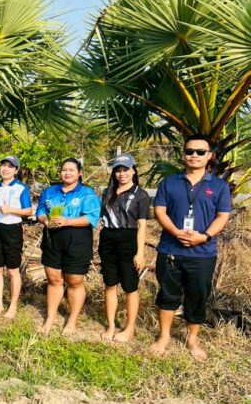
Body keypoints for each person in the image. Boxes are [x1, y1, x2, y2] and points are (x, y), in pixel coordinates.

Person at [150, 135, 231, 361]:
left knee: (197, 297)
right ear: (183, 155)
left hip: (202, 253)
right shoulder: (169, 182)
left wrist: (204, 237)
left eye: (200, 152)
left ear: (210, 156)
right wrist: (176, 232)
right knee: (167, 294)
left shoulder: (219, 186)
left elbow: (222, 216)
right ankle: (164, 336)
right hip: (170, 249)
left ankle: (192, 339)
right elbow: (159, 211)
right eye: (189, 151)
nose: (194, 155)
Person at [36, 159, 101, 335]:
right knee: (54, 279)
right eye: (64, 170)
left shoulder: (87, 194)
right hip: (52, 239)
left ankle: (72, 319)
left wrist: (67, 221)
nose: (67, 173)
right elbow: (40, 211)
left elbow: (91, 218)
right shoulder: (50, 191)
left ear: (79, 173)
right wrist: (46, 220)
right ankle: (51, 316)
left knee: (74, 281)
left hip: (77, 240)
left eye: (71, 170)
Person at [99, 154, 150, 342]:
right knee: (110, 284)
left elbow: (142, 225)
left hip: (129, 239)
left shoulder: (140, 194)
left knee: (130, 286)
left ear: (134, 170)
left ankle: (130, 328)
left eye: (126, 170)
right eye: (118, 170)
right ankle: (111, 325)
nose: (122, 174)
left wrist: (140, 252)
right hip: (107, 238)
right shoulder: (107, 192)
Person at [0, 156, 33, 318]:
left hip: (12, 229)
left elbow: (28, 211)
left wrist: (11, 210)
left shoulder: (21, 188)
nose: (5, 169)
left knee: (13, 270)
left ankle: (12, 306)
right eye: (3, 165)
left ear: (16, 170)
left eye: (10, 166)